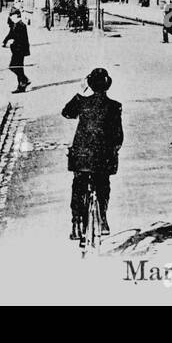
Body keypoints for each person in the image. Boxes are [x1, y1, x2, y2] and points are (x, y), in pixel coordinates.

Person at [62, 68, 124, 239]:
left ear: (90, 85)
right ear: (107, 86)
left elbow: (66, 112)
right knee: (103, 184)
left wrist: (80, 94)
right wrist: (113, 150)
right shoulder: (115, 106)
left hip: (81, 156)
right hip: (103, 157)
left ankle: (75, 223)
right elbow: (119, 136)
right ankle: (102, 218)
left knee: (78, 185)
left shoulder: (82, 102)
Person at [2, 7, 31, 92]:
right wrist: (5, 42)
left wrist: (11, 45)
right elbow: (11, 34)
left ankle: (23, 81)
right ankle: (22, 84)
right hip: (17, 50)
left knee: (14, 66)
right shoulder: (16, 24)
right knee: (18, 67)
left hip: (20, 50)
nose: (10, 18)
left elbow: (20, 40)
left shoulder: (21, 25)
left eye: (12, 16)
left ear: (16, 16)